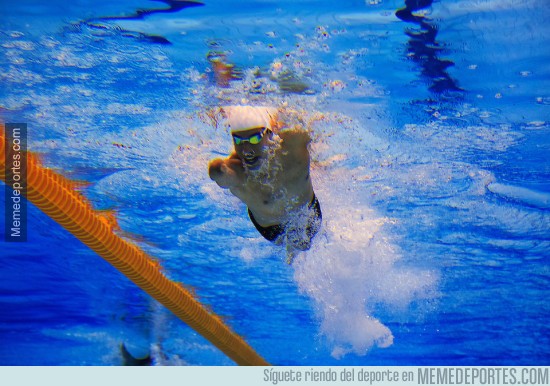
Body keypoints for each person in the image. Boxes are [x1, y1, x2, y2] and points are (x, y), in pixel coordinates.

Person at [208, 105, 322, 263]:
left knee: (302, 245)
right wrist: (217, 170)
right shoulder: (238, 168)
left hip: (308, 214)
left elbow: (312, 122)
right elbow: (225, 176)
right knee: (293, 250)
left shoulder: (293, 145)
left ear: (270, 133)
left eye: (254, 139)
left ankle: (293, 255)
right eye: (238, 140)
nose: (247, 149)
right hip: (270, 229)